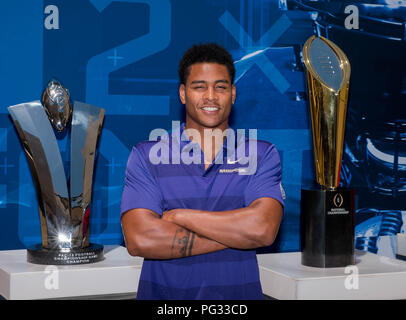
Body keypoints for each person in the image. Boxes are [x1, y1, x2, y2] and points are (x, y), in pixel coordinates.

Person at [120, 43, 284, 300]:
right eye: (199, 87)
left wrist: (179, 216)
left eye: (220, 87)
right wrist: (236, 235)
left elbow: (262, 229)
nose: (211, 96)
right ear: (183, 94)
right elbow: (140, 239)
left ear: (233, 93)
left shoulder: (261, 155)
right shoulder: (147, 155)